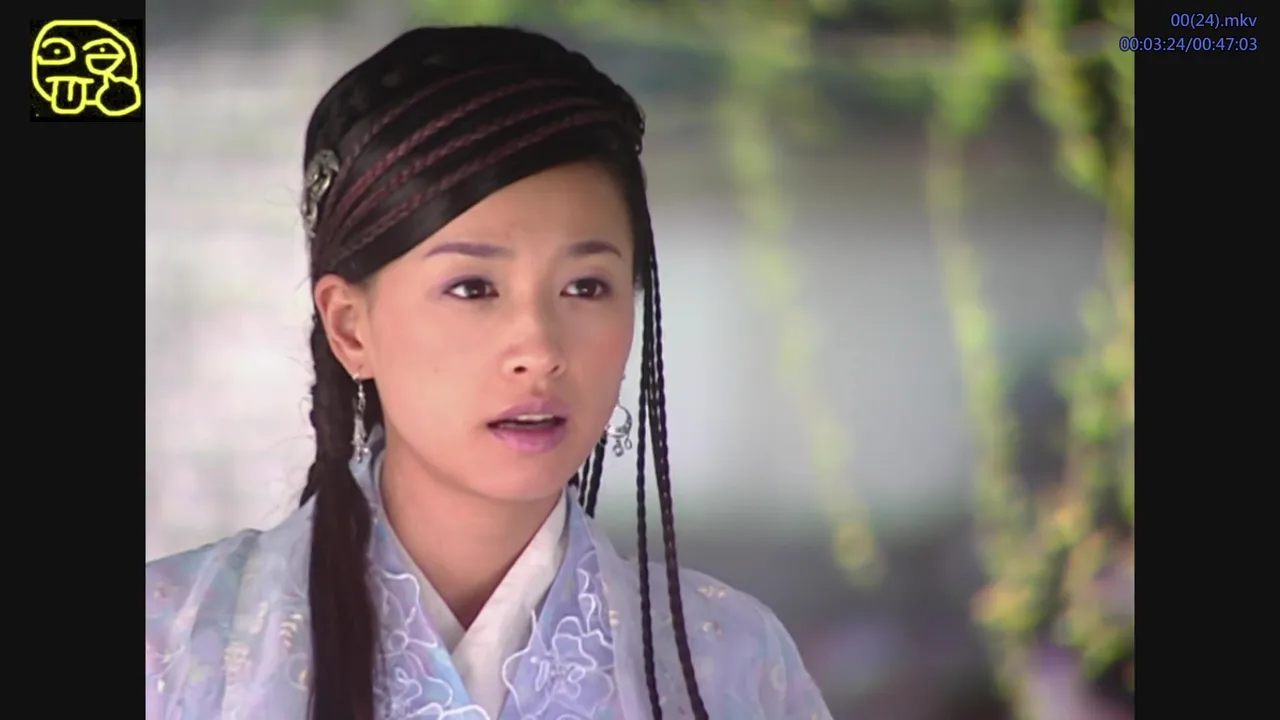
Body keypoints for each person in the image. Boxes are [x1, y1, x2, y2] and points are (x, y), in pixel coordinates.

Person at [144, 26, 832, 720]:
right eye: (473, 288)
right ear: (350, 326)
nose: (539, 348)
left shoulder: (729, 664)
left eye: (586, 286)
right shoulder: (166, 647)